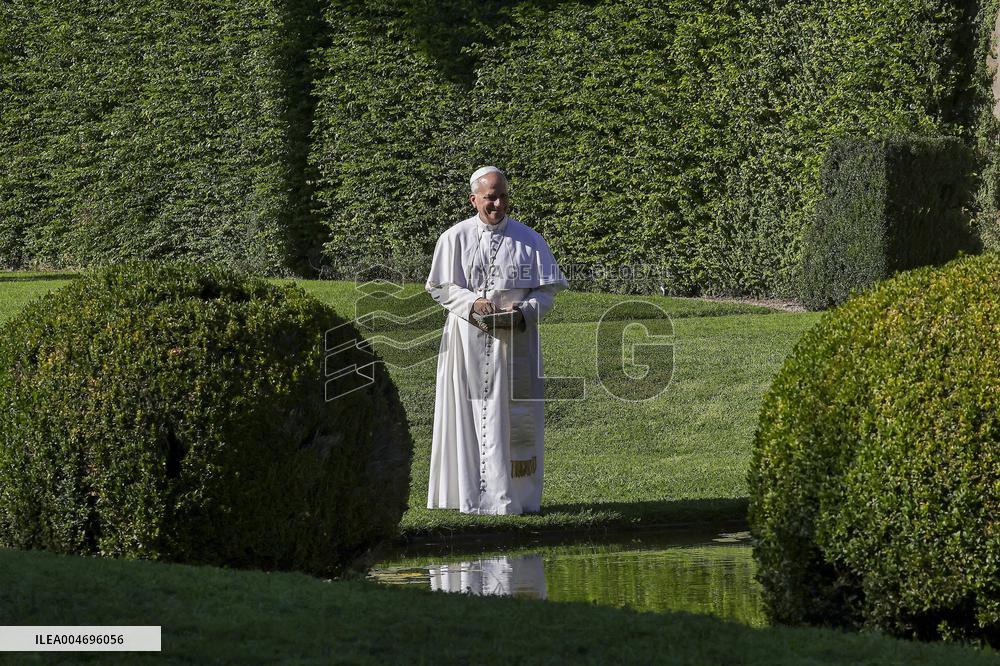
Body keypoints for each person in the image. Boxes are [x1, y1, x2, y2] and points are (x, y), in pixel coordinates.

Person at [425, 166, 568, 515]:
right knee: (468, 415)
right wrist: (472, 302)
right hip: (467, 345)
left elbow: (547, 290)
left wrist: (524, 312)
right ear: (474, 199)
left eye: (503, 196)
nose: (498, 203)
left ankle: (513, 498)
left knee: (512, 420)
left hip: (515, 345)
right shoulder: (454, 238)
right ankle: (471, 499)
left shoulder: (530, 240)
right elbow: (441, 286)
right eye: (490, 197)